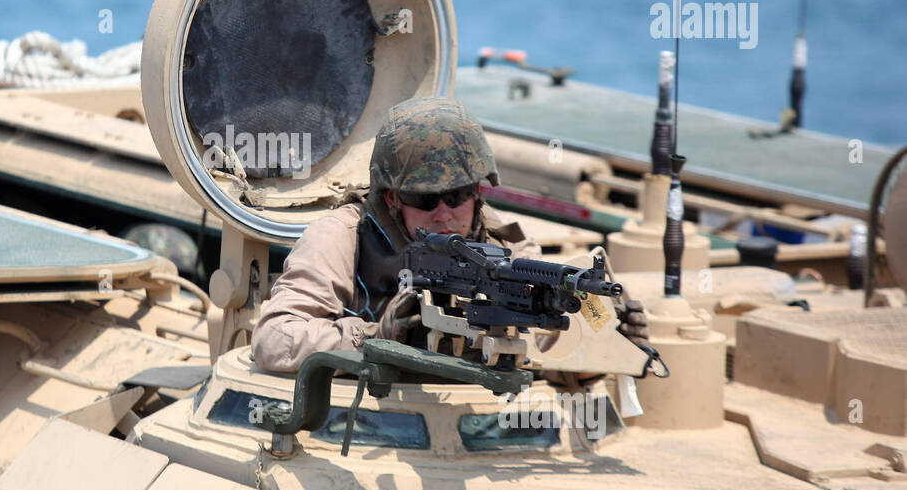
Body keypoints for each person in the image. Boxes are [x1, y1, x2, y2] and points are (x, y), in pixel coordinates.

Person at [251, 96, 648, 373]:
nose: (443, 214)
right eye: (424, 199)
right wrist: (374, 337)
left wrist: (610, 342)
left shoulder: (504, 246)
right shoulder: (343, 236)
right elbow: (273, 338)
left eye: (457, 195)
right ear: (392, 198)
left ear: (478, 193)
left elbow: (550, 357)